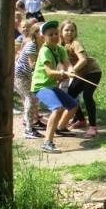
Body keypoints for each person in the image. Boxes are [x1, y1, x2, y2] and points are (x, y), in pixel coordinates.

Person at [31, 20, 78, 153]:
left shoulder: (60, 49)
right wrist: (64, 73)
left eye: (56, 33)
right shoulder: (44, 51)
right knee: (57, 108)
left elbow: (67, 63)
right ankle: (47, 143)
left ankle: (60, 128)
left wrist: (71, 70)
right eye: (50, 34)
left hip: (51, 86)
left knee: (73, 105)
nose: (54, 36)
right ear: (43, 37)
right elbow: (50, 72)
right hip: (41, 86)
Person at [60, 20, 102, 138]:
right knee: (70, 96)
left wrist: (72, 70)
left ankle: (93, 127)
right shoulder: (61, 45)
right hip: (80, 74)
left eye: (72, 30)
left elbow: (83, 59)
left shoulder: (76, 43)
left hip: (92, 72)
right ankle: (81, 120)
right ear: (61, 31)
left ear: (76, 32)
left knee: (87, 96)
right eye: (66, 30)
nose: (69, 32)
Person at [15, 21, 44, 139]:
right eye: (44, 31)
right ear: (36, 33)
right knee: (30, 99)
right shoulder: (32, 45)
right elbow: (32, 65)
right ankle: (28, 129)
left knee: (34, 99)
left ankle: (32, 123)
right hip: (21, 75)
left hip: (30, 75)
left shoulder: (42, 45)